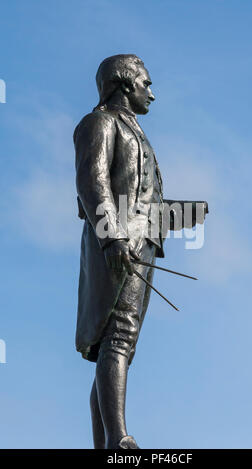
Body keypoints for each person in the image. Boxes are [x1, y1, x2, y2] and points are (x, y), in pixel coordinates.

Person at [74, 54, 208, 449]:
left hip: (141, 245)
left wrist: (184, 214)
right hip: (117, 246)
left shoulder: (136, 133)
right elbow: (92, 182)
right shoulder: (100, 122)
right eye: (146, 83)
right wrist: (111, 237)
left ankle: (108, 442)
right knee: (116, 337)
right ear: (123, 84)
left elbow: (141, 203)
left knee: (120, 344)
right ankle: (118, 439)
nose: (152, 92)